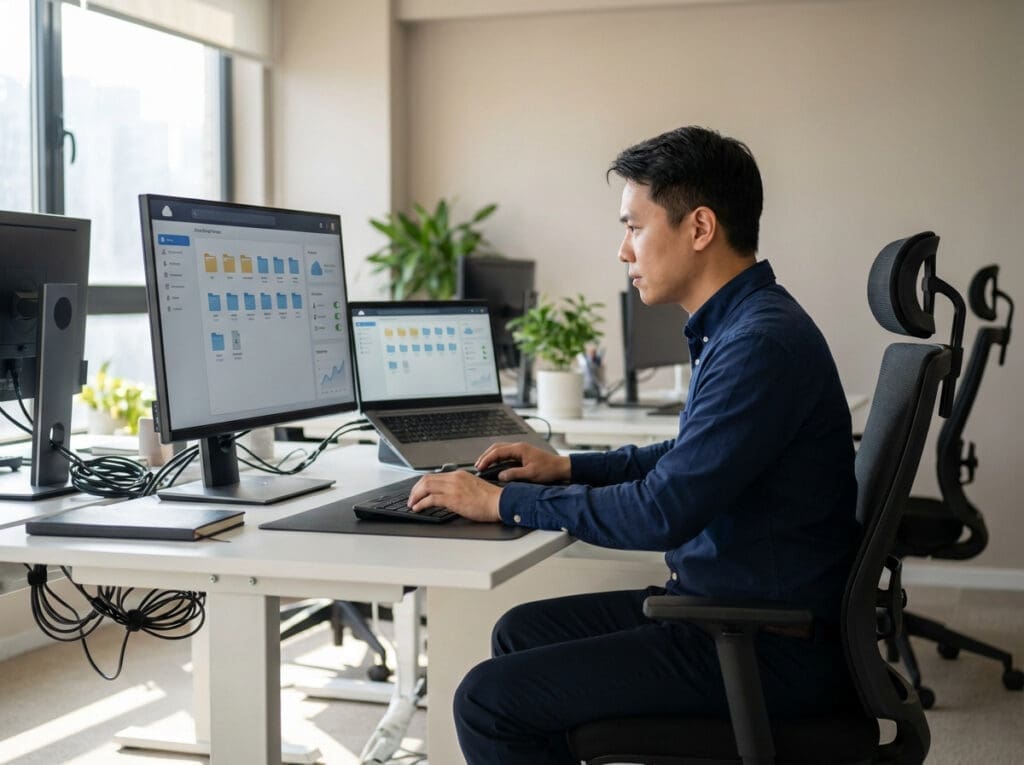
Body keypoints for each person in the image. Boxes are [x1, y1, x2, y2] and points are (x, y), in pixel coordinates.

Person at [407, 126, 860, 765]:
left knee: (487, 700)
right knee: (519, 631)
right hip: (738, 613)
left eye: (634, 227)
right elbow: (683, 459)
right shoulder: (745, 326)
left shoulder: (759, 344)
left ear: (699, 228)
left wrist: (501, 505)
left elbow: (661, 511)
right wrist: (565, 466)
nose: (623, 251)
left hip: (766, 644)